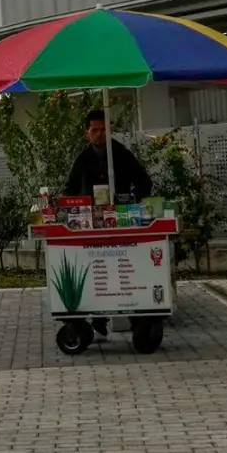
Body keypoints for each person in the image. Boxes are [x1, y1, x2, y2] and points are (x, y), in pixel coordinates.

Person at [64, 109, 153, 340]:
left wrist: (134, 204)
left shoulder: (121, 154)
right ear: (87, 133)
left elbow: (144, 182)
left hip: (122, 223)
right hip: (90, 227)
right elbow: (69, 190)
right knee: (95, 271)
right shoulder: (82, 159)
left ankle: (136, 318)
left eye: (104, 130)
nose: (100, 134)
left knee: (124, 270)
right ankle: (97, 316)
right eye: (95, 130)